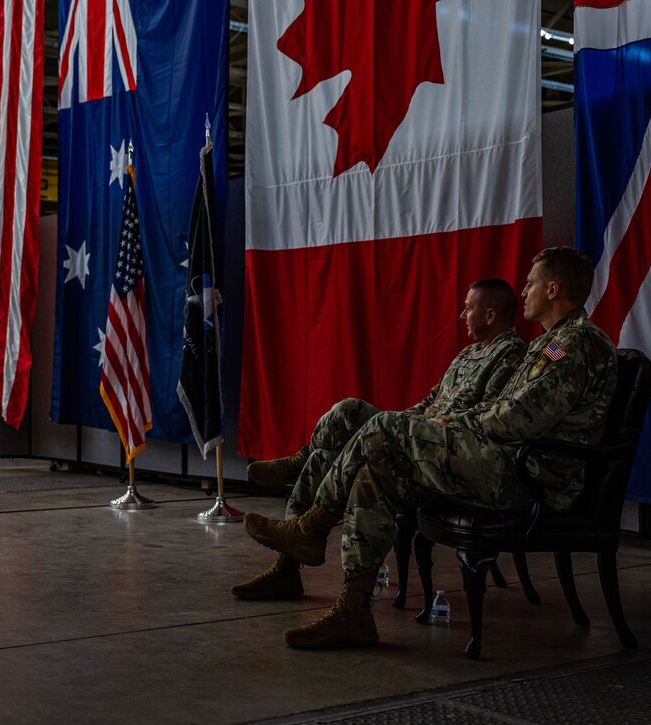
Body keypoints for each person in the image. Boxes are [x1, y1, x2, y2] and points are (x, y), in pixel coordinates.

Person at [243, 247, 617, 649]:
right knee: (373, 474)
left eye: (531, 284)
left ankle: (311, 529)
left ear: (553, 289)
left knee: (383, 427)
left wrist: (451, 423)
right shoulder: (550, 344)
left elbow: (519, 418)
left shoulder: (573, 344)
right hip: (503, 461)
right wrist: (435, 424)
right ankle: (353, 609)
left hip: (531, 477)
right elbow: (501, 411)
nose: (524, 291)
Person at [233, 278, 525, 600]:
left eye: (469, 308)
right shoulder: (467, 354)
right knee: (347, 413)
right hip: (416, 438)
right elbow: (429, 401)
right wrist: (404, 422)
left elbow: (491, 417)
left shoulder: (512, 356)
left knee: (344, 450)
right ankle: (290, 557)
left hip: (442, 457)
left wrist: (417, 426)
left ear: (490, 315)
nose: (462, 315)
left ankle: (305, 532)